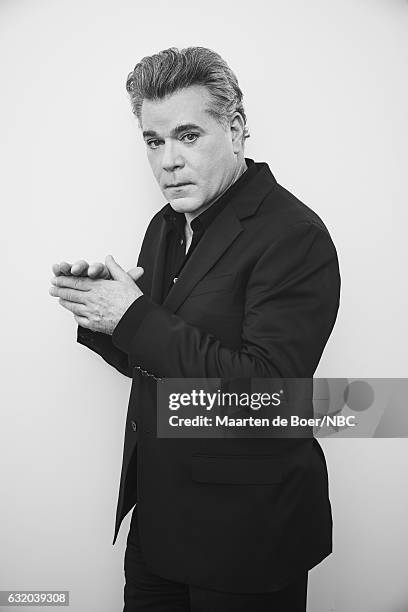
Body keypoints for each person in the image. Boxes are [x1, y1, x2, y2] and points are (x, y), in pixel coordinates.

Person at [49, 46, 341, 612]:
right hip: (158, 527)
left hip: (247, 540)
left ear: (234, 129)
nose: (168, 162)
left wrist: (132, 316)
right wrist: (102, 313)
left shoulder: (293, 235)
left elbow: (268, 394)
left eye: (187, 135)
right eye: (154, 142)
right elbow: (162, 359)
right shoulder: (165, 225)